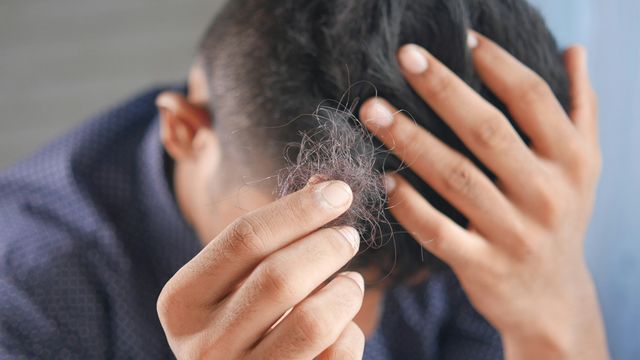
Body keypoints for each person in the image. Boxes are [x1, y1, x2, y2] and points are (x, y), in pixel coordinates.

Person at [0, 0, 609, 359]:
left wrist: (559, 322)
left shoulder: (476, 224)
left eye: (399, 283)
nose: (351, 337)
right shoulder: (24, 295)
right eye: (295, 247)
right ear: (185, 129)